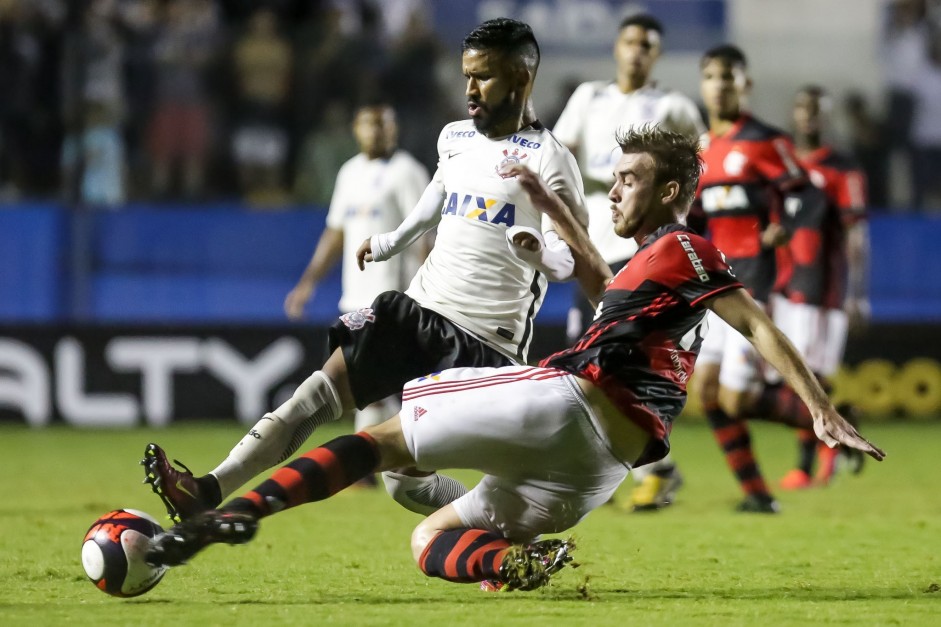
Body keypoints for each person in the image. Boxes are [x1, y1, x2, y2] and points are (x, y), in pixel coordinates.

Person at [144, 127, 885, 594]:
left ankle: (224, 516)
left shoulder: (686, 247)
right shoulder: (651, 268)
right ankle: (511, 564)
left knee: (377, 440)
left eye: (627, 179)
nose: (615, 188)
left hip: (574, 402)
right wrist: (547, 214)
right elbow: (602, 280)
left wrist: (820, 408)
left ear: (668, 191)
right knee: (427, 539)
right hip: (594, 473)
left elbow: (754, 320)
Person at [142, 18, 590, 524]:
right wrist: (392, 240)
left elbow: (572, 256)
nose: (469, 89)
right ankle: (207, 488)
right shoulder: (455, 138)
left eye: (482, 77)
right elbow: (435, 199)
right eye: (466, 75)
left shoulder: (554, 161)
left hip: (485, 342)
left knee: (404, 484)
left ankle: (502, 532)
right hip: (419, 309)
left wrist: (539, 253)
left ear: (520, 78)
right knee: (317, 392)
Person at [551, 12, 705, 511]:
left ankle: (646, 468)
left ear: (656, 54)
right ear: (617, 48)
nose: (637, 51)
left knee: (616, 361)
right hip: (592, 248)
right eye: (631, 42)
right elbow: (556, 157)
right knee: (589, 357)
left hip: (644, 252)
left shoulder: (674, 106)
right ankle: (632, 467)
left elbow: (704, 165)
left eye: (648, 44)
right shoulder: (589, 98)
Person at [690, 44, 827, 513]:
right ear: (703, 84)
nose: (720, 84)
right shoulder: (702, 149)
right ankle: (757, 495)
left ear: (744, 84)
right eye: (712, 75)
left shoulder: (766, 141)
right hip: (714, 284)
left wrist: (784, 226)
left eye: (729, 76)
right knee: (708, 394)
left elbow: (808, 196)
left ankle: (827, 423)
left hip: (756, 284)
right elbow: (694, 215)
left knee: (735, 398)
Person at [283, 102, 429, 478]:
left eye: (384, 125)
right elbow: (337, 232)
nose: (376, 132)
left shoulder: (407, 172)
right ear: (356, 129)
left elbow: (423, 235)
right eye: (369, 124)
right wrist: (308, 283)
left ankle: (379, 463)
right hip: (355, 294)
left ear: (394, 130)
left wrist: (428, 287)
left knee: (375, 379)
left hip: (395, 296)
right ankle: (381, 463)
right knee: (366, 381)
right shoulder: (349, 172)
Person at [774, 86, 870, 489]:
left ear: (826, 117)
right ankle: (842, 424)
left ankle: (811, 464)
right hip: (784, 287)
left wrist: (857, 293)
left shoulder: (842, 169)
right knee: (790, 380)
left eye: (817, 109)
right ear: (794, 114)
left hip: (821, 291)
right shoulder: (782, 165)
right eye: (803, 107)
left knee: (809, 376)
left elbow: (856, 234)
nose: (809, 115)